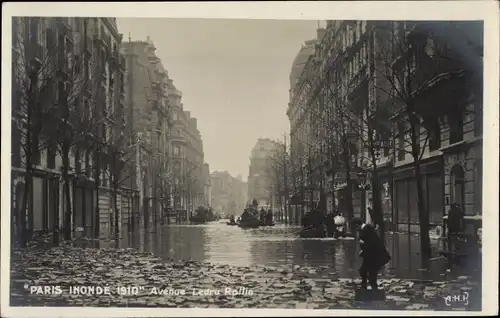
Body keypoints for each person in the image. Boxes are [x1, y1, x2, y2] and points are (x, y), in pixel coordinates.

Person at [350, 217, 391, 290]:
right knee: (363, 271)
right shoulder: (363, 230)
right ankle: (365, 287)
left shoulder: (368, 229)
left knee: (372, 274)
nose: (355, 230)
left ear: (357, 225)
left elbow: (373, 243)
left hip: (376, 256)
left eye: (354, 227)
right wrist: (363, 250)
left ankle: (374, 292)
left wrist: (364, 245)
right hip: (369, 255)